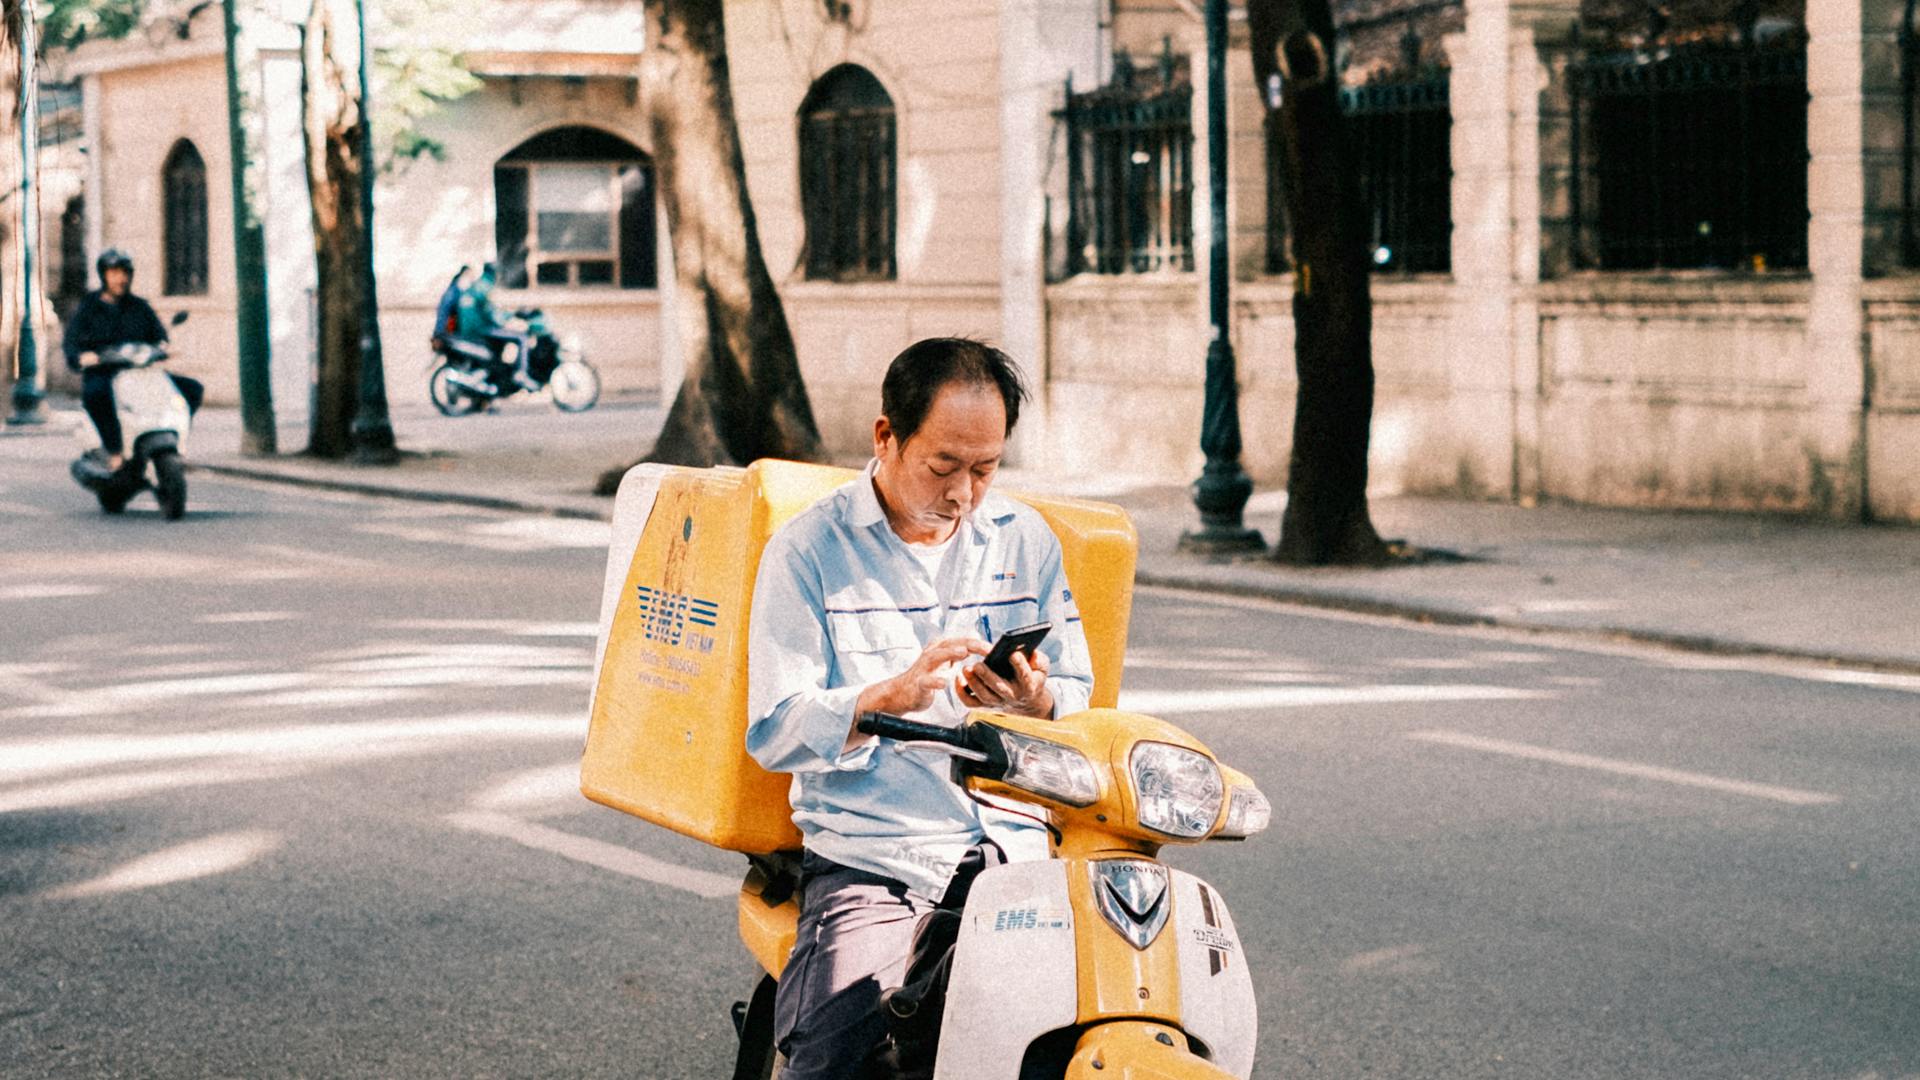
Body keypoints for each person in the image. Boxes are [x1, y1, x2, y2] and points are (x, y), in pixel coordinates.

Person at [746, 337, 1095, 1080]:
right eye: (944, 466)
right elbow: (774, 729)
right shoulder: (808, 551)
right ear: (886, 437)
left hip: (1015, 851)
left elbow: (1077, 691)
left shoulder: (1024, 539)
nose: (965, 493)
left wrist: (1035, 698)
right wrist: (882, 699)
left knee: (1086, 1033)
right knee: (838, 1056)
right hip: (878, 857)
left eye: (986, 468)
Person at [62, 249, 203, 470]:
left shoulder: (139, 306)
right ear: (104, 275)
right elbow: (72, 342)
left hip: (139, 370)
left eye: (125, 272)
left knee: (192, 389)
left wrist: (163, 347)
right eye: (115, 272)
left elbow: (159, 336)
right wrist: (81, 357)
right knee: (96, 394)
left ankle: (176, 442)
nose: (121, 278)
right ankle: (115, 450)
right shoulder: (89, 307)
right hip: (105, 370)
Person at [454, 263, 538, 391]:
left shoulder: (477, 285)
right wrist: (507, 320)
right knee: (521, 338)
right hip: (481, 329)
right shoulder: (485, 285)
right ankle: (521, 374)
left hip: (472, 329)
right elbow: (491, 312)